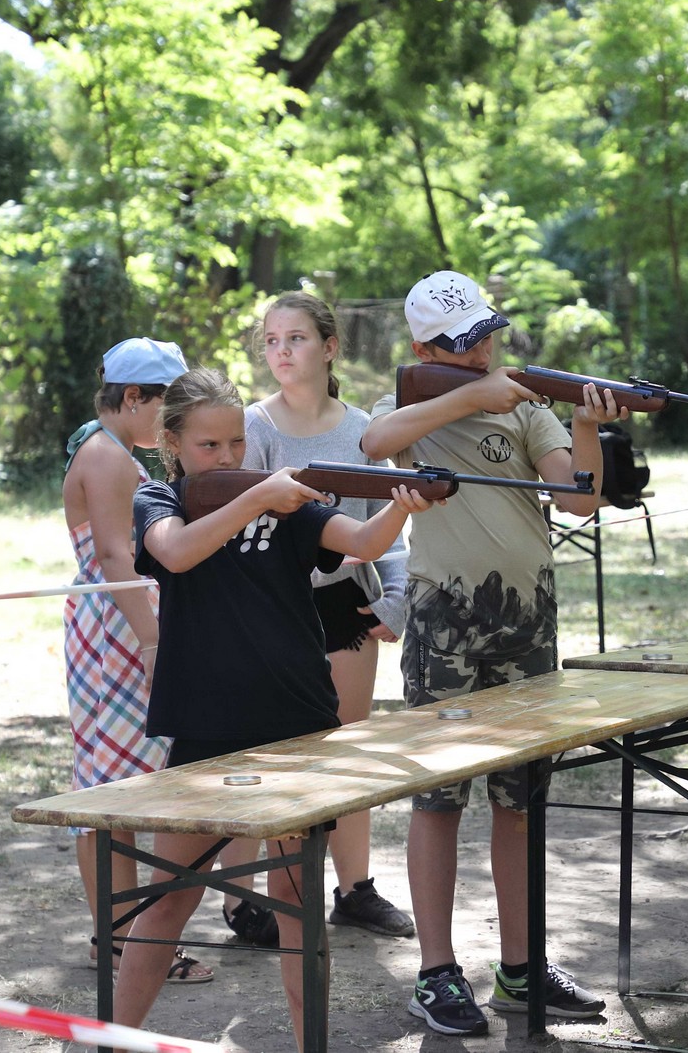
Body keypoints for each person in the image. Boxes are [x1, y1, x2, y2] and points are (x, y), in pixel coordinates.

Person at [112, 367, 430, 1047]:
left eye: (235, 444)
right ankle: (112, 1039)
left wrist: (404, 502)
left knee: (294, 902)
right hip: (206, 727)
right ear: (172, 444)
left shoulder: (281, 503)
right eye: (209, 447)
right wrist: (258, 495)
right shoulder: (160, 498)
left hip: (297, 724)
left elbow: (366, 543)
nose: (226, 457)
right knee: (170, 899)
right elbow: (176, 551)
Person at [361, 270, 622, 1035]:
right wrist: (469, 397)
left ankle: (521, 966)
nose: (481, 352)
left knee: (521, 801)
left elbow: (578, 498)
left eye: (486, 336)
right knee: (439, 797)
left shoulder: (529, 407)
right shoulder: (412, 405)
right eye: (462, 343)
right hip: (444, 616)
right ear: (422, 350)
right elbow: (376, 443)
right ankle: (437, 973)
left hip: (527, 618)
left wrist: (583, 429)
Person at [244, 290, 414, 938]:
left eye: (297, 338)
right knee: (280, 752)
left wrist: (395, 599)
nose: (282, 351)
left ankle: (356, 889)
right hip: (273, 608)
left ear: (330, 346)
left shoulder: (362, 429)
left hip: (346, 601)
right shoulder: (254, 426)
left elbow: (387, 525)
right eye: (271, 340)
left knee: (348, 748)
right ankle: (274, 898)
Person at [61, 336, 214, 982]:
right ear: (132, 398)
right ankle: (121, 943)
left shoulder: (115, 450)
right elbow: (116, 557)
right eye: (168, 407)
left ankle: (119, 938)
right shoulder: (106, 455)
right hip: (118, 633)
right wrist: (154, 641)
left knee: (117, 784)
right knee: (112, 791)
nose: (175, 423)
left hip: (122, 623)